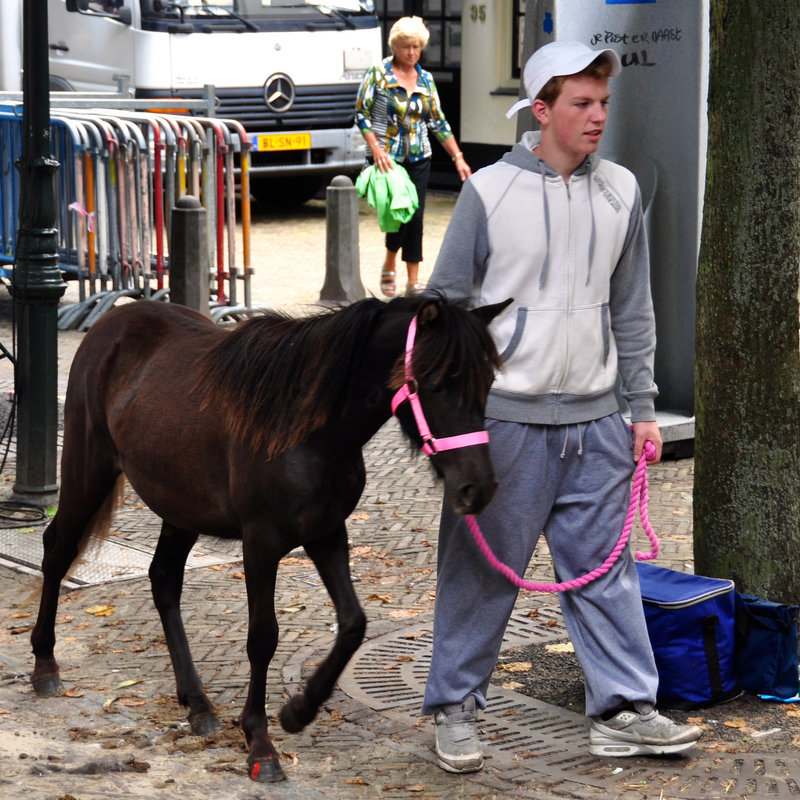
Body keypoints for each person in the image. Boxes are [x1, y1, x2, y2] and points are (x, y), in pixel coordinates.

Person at [422, 40, 703, 773]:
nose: (597, 117)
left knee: (607, 575)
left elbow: (633, 310)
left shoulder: (622, 192)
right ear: (539, 110)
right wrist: (451, 428)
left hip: (597, 422)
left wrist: (639, 407)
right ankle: (454, 707)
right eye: (581, 103)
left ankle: (624, 710)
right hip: (505, 423)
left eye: (604, 103)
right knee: (480, 572)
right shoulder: (488, 192)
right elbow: (446, 311)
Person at [355, 16, 471, 298]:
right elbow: (361, 114)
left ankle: (413, 280)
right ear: (395, 47)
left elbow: (438, 122)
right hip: (389, 158)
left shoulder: (427, 79)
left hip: (420, 155)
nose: (411, 53)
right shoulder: (378, 74)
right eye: (406, 47)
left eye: (416, 48)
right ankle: (390, 259)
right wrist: (377, 149)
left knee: (415, 215)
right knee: (398, 214)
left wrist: (457, 157)